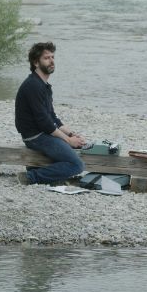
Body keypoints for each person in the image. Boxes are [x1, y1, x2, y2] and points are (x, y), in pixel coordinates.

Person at [14, 41, 87, 185]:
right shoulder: (33, 86)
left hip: (43, 133)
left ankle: (38, 170)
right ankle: (31, 177)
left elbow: (52, 117)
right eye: (46, 58)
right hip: (35, 136)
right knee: (77, 165)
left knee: (74, 147)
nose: (51, 61)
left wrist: (71, 134)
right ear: (36, 62)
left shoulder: (43, 85)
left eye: (52, 57)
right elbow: (45, 123)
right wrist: (68, 141)